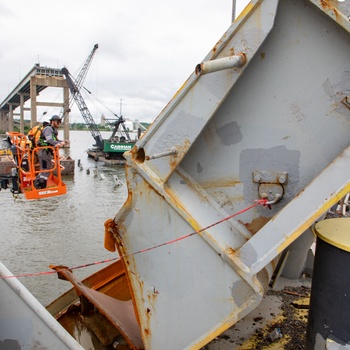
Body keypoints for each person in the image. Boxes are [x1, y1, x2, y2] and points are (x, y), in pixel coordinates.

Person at [34, 115, 68, 189]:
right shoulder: (48, 129)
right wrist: (58, 143)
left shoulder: (53, 130)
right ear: (52, 121)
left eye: (60, 121)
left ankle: (42, 184)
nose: (59, 123)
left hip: (47, 152)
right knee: (45, 169)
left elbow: (54, 140)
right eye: (57, 121)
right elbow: (49, 140)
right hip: (43, 151)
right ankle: (38, 185)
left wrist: (62, 141)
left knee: (47, 169)